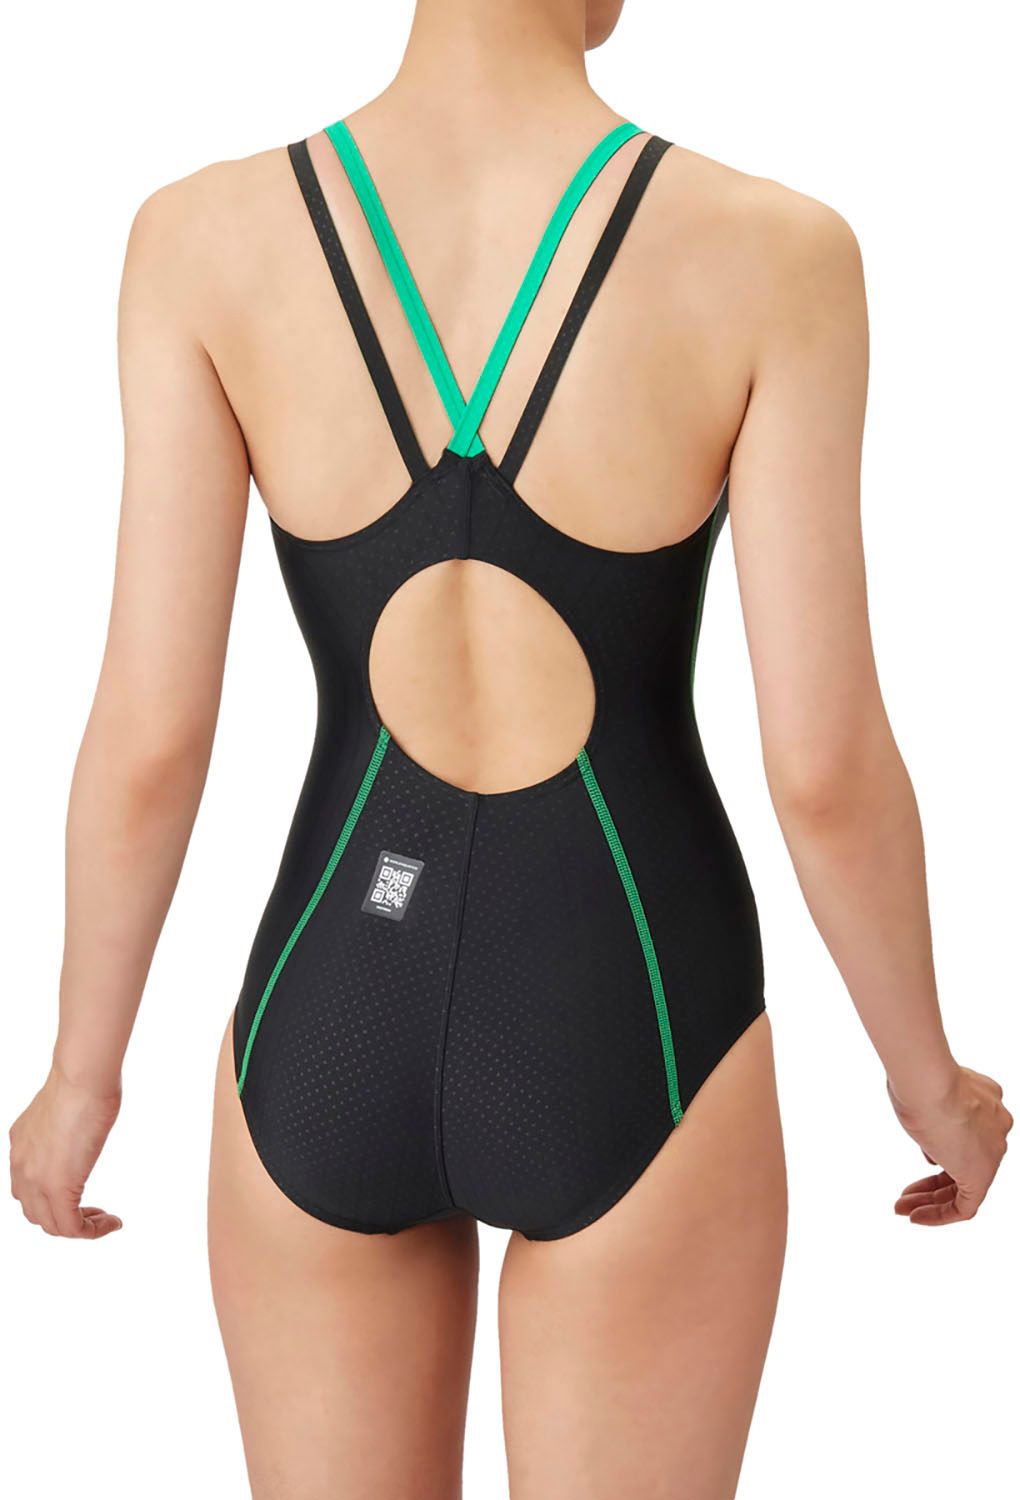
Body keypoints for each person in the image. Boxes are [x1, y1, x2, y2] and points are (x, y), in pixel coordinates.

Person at [8, 1, 1012, 1496]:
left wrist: (81, 1077)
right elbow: (824, 768)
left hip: (328, 1001)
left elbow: (152, 736)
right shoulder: (776, 252)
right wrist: (930, 1082)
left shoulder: (199, 239)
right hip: (633, 1011)